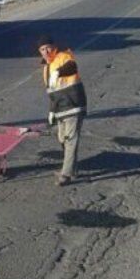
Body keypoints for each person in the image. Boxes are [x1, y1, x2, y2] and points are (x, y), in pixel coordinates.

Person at [37, 34, 87, 186]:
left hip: (73, 105)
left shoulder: (64, 57)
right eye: (42, 49)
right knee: (62, 139)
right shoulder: (46, 68)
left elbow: (72, 66)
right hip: (60, 109)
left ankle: (65, 174)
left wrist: (58, 72)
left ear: (54, 47)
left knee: (71, 140)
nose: (46, 51)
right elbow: (52, 93)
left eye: (48, 48)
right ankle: (72, 169)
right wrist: (52, 111)